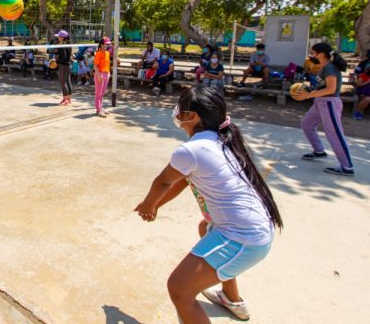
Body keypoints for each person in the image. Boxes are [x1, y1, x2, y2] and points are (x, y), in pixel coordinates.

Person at [134, 86, 282, 323]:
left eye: (181, 110)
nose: (177, 115)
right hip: (254, 227)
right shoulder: (220, 139)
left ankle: (228, 297)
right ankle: (231, 298)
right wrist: (156, 205)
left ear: (192, 117)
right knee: (206, 228)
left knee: (179, 289)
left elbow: (162, 182)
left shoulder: (191, 150)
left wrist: (148, 205)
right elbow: (180, 183)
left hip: (244, 237)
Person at [293, 42, 354, 176]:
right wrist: (308, 90)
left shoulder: (330, 68)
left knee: (334, 134)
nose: (311, 55)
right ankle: (319, 151)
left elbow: (331, 89)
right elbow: (322, 86)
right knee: (307, 124)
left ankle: (347, 167)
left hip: (329, 103)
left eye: (312, 53)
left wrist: (308, 95)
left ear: (321, 54)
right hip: (320, 102)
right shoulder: (323, 67)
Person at [93, 37, 111, 117]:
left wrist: (108, 74)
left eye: (107, 44)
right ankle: (98, 109)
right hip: (99, 74)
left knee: (102, 93)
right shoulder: (98, 53)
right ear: (101, 44)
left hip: (106, 73)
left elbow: (107, 64)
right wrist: (99, 75)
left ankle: (101, 107)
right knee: (98, 93)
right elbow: (95, 66)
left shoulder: (107, 53)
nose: (107, 45)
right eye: (106, 44)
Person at [55, 30, 73, 105]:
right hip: (67, 65)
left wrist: (57, 61)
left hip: (63, 65)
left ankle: (65, 99)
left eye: (59, 36)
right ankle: (68, 99)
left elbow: (64, 57)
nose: (58, 38)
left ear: (62, 37)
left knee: (63, 82)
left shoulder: (63, 46)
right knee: (68, 82)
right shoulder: (67, 44)